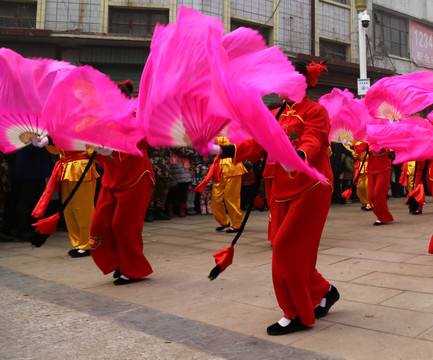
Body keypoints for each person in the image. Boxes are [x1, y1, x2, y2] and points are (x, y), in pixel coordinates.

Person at [216, 60, 339, 335]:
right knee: (294, 253)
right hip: (284, 189)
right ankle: (325, 292)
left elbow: (314, 139)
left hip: (311, 187)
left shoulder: (315, 111)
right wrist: (226, 151)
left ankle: (295, 313)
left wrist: (299, 156)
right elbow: (258, 144)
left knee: (284, 249)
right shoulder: (277, 114)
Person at [88, 80, 155, 285]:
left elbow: (138, 142)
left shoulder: (137, 115)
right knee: (99, 223)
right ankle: (118, 262)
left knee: (123, 225)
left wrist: (113, 149)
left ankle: (134, 268)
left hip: (135, 177)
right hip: (112, 178)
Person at [211, 136, 247, 233]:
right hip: (219, 168)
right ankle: (224, 222)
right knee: (215, 199)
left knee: (231, 198)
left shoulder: (236, 131)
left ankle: (236, 225)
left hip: (233, 167)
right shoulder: (215, 131)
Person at [367, 147, 394, 226]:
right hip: (371, 168)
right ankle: (383, 215)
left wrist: (381, 147)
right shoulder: (368, 138)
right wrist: (351, 145)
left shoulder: (384, 137)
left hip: (384, 168)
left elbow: (387, 149)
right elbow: (360, 148)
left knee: (378, 194)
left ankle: (383, 217)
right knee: (371, 196)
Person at [166, 147, 195, 217]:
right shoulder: (170, 142)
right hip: (173, 168)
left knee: (183, 191)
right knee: (172, 191)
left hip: (184, 169)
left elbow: (191, 153)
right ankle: (171, 211)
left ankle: (182, 210)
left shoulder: (186, 143)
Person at [145, 146, 171, 222]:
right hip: (152, 166)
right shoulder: (148, 136)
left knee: (163, 190)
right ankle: (149, 211)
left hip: (165, 166)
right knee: (151, 191)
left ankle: (160, 210)